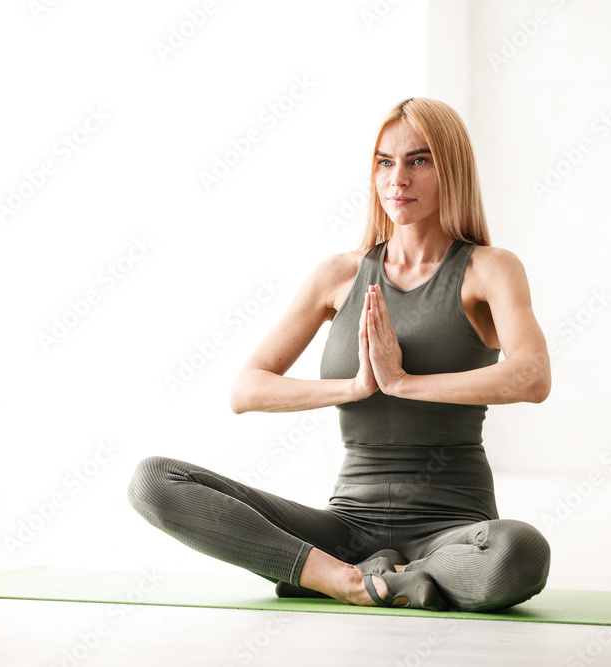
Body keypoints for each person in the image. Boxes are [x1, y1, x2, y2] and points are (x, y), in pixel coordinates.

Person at [128, 97, 552, 612]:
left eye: (419, 160)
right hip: (347, 528)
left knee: (521, 552)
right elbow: (247, 389)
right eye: (384, 162)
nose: (398, 178)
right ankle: (342, 579)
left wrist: (402, 382)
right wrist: (354, 387)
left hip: (455, 529)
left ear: (452, 169)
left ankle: (394, 575)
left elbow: (532, 377)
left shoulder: (490, 269)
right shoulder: (339, 275)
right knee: (153, 481)